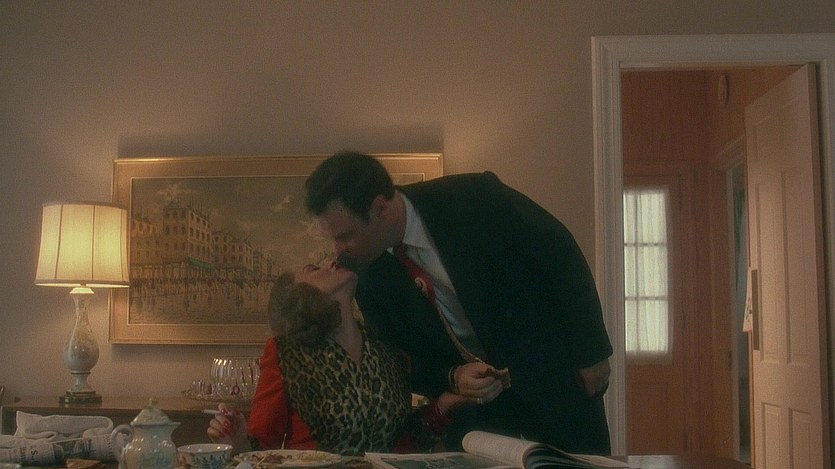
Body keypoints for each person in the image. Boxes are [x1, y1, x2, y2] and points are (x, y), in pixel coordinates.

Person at [304, 151, 613, 455]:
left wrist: (592, 351)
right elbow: (397, 356)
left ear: (380, 208)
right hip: (478, 417)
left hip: (556, 382)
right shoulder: (364, 271)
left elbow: (560, 254)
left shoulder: (473, 197)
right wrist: (451, 376)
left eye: (345, 235)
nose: (338, 250)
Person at [206, 261, 482, 456]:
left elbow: (404, 442)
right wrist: (238, 441)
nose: (330, 263)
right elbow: (261, 448)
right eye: (314, 269)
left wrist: (445, 404)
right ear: (300, 299)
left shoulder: (387, 351)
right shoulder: (286, 353)